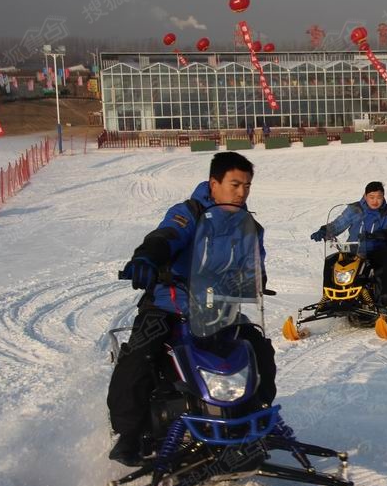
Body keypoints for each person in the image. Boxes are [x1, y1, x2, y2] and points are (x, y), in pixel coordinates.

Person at [106, 152, 277, 466]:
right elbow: (167, 236)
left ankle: (257, 416)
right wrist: (146, 257)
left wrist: (254, 278)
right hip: (170, 305)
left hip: (218, 309)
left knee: (256, 347)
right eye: (235, 184)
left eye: (247, 185)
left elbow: (255, 261)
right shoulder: (189, 213)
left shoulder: (248, 226)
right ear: (214, 184)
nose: (242, 192)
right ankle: (129, 434)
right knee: (142, 354)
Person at [310, 181, 387, 306]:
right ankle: (328, 295)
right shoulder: (355, 209)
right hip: (353, 250)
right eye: (371, 197)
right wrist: (324, 230)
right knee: (331, 260)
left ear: (383, 196)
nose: (375, 201)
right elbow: (339, 224)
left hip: (376, 250)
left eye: (379, 197)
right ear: (365, 196)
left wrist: (378, 235)